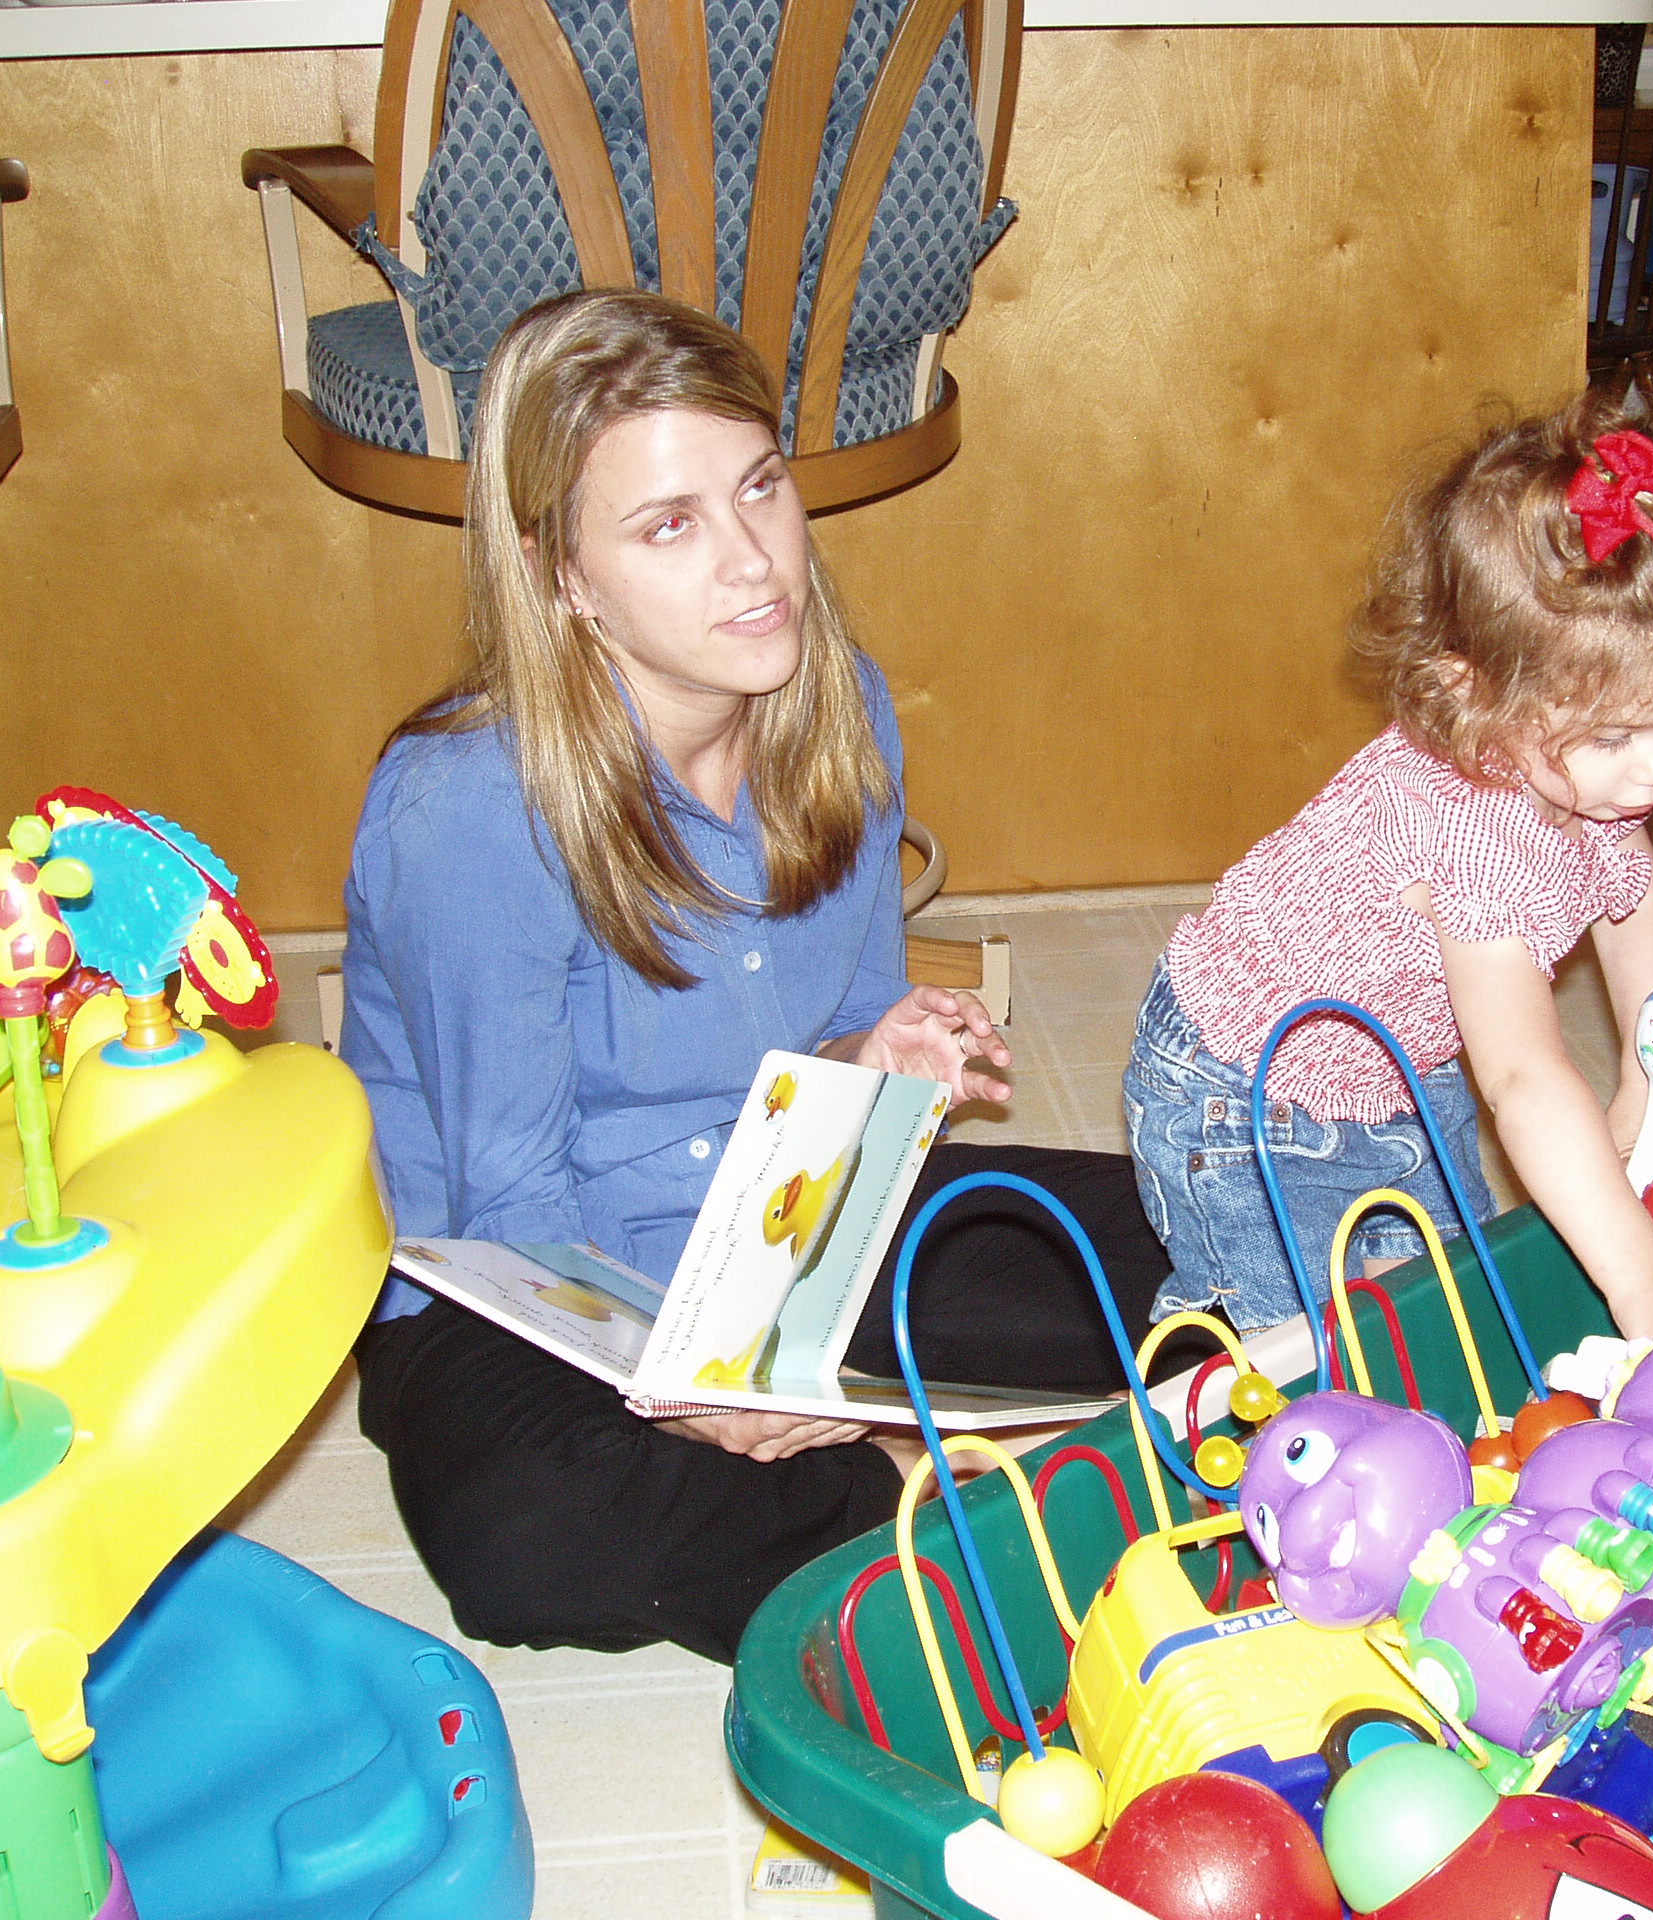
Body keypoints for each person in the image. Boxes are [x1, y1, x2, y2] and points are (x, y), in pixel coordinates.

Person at [341, 289, 1174, 1666]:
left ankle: (891, 1478)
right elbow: (515, 1208)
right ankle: (927, 1507)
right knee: (529, 1538)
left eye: (759, 487)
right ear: (561, 575)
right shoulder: (468, 808)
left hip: (783, 1208)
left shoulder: (840, 702)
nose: (753, 563)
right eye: (669, 526)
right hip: (538, 1288)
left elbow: (834, 1031)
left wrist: (873, 1063)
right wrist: (719, 1379)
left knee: (1208, 1241)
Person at [1122, 399, 1653, 1344]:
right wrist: (1644, 1286)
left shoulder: (1575, 765)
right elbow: (1521, 1075)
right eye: (1617, 736)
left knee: (1451, 1316)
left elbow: (1629, 898)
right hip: (1240, 1094)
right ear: (1473, 691)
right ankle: (1187, 1388)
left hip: (1394, 1068)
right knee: (1305, 1358)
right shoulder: (1470, 839)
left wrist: (1651, 1072)